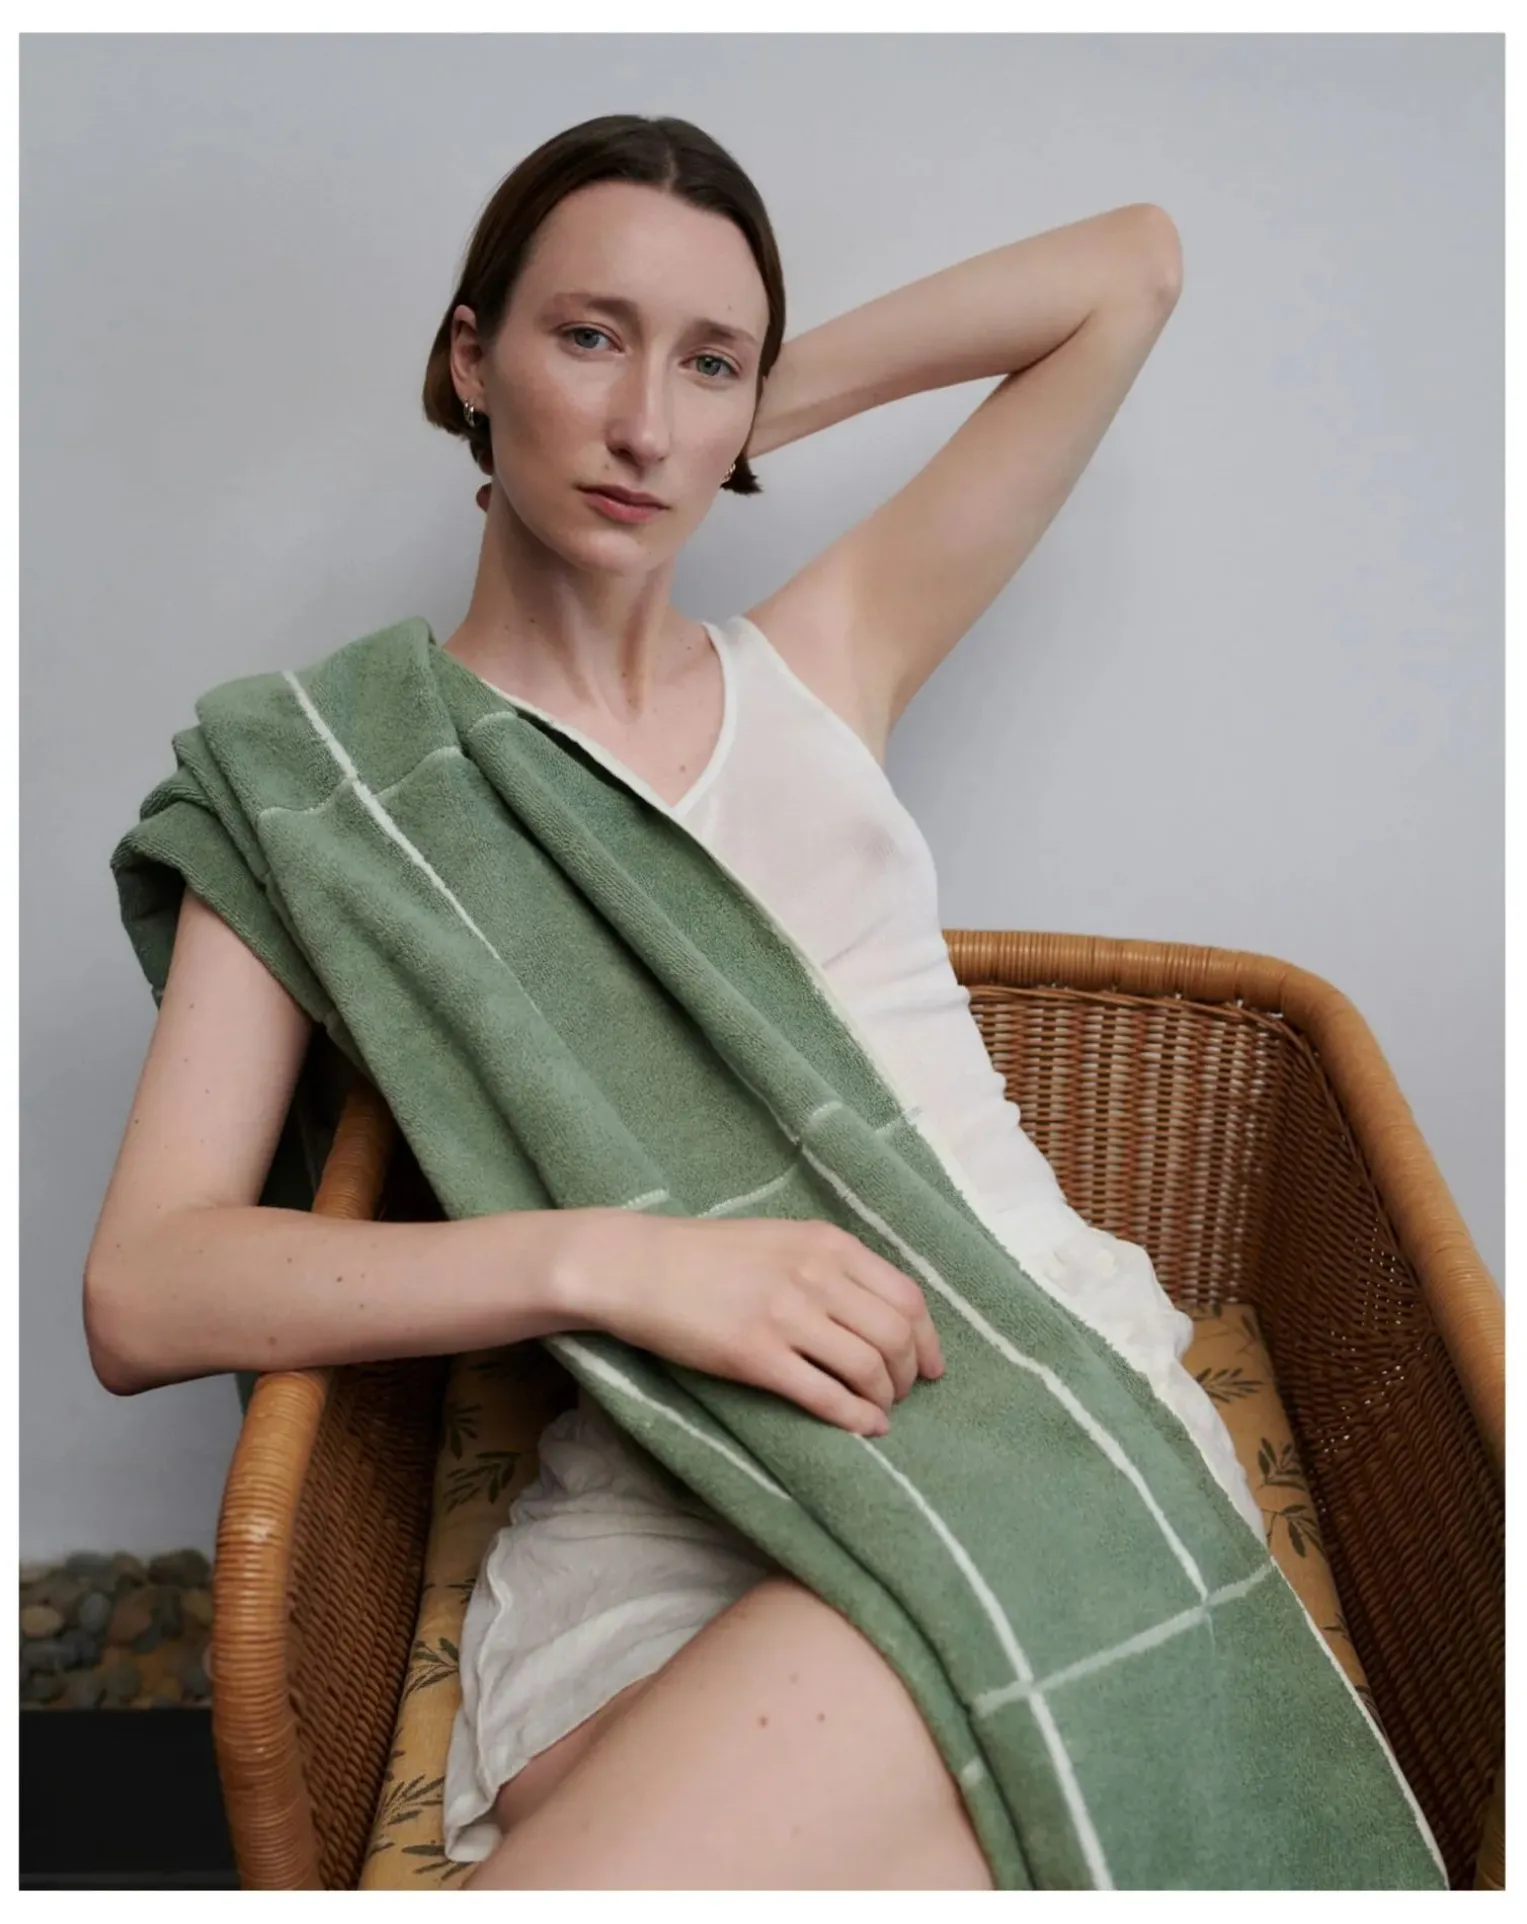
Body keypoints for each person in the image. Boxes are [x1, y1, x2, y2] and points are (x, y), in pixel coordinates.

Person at [84, 115, 1243, 1890]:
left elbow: (1127, 267)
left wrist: (731, 417)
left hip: (996, 1389)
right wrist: (617, 1263)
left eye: (706, 360)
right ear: (468, 359)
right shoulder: (334, 786)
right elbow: (146, 1289)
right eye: (587, 337)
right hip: (664, 1466)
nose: (642, 425)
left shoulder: (828, 660)